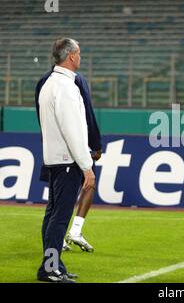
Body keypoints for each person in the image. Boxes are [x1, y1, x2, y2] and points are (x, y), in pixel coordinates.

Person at [36, 38, 95, 283]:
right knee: (60, 217)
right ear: (70, 56)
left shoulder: (50, 83)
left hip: (55, 159)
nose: (80, 57)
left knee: (52, 215)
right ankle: (50, 269)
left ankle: (53, 265)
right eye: (79, 53)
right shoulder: (66, 87)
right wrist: (86, 166)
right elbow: (73, 131)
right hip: (67, 161)